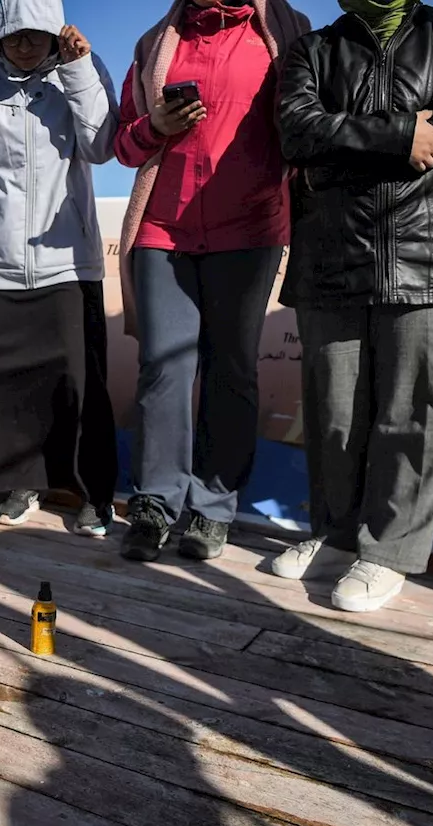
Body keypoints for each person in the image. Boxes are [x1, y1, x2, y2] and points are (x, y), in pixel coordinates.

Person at [270, 0, 433, 612]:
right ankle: (338, 536)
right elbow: (296, 130)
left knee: (411, 411)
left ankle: (389, 553)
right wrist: (399, 133)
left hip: (426, 251)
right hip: (330, 253)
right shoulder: (312, 47)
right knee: (334, 411)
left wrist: (343, 134)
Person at [112, 0, 310, 563]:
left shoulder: (288, 32)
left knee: (232, 368)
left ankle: (213, 507)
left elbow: (306, 124)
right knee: (163, 367)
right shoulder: (156, 42)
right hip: (161, 229)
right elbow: (123, 145)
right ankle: (154, 503)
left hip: (250, 230)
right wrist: (155, 126)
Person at [0, 0, 121, 537]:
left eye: (37, 34)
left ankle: (91, 494)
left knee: (80, 385)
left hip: (66, 261)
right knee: (4, 387)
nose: (27, 44)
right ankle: (19, 482)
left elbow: (103, 146)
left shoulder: (82, 67)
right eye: (16, 34)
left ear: (54, 30)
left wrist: (80, 70)